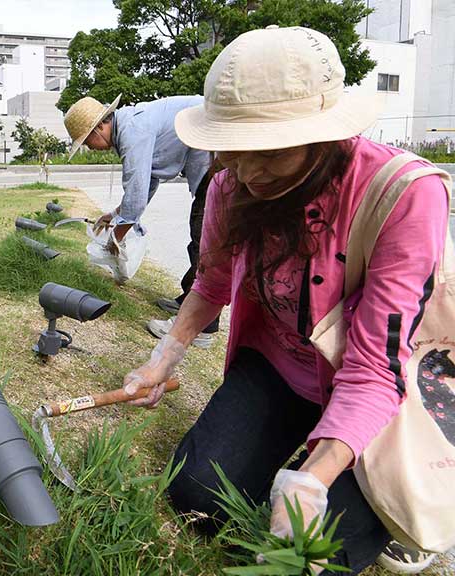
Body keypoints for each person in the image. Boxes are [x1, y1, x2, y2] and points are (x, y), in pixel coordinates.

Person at [123, 26, 449, 575]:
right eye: (234, 149)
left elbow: (373, 368)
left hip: (377, 390)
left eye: (268, 152)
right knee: (199, 496)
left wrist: (313, 476)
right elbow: (212, 280)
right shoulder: (232, 186)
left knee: (304, 557)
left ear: (323, 135)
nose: (247, 173)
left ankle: (395, 516)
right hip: (280, 366)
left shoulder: (403, 194)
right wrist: (164, 358)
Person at [63, 94, 219, 348]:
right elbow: (147, 183)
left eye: (86, 140)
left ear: (99, 127)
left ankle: (201, 326)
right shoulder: (130, 125)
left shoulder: (132, 131)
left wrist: (118, 238)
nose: (88, 147)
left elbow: (136, 188)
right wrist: (114, 216)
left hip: (215, 150)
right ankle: (188, 299)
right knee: (201, 237)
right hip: (206, 148)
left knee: (205, 240)